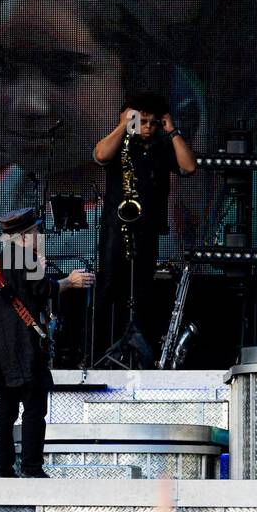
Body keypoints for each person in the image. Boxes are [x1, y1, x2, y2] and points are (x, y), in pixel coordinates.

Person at [0, 207, 92, 478]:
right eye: (35, 232)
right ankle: (32, 467)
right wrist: (71, 281)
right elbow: (45, 290)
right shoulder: (24, 258)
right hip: (24, 343)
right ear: (23, 236)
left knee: (7, 407)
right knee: (34, 407)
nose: (39, 236)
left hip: (1, 344)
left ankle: (4, 468)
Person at [92, 91, 196, 365]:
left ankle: (138, 348)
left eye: (153, 122)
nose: (148, 128)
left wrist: (172, 131)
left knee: (142, 291)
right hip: (116, 227)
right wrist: (123, 124)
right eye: (143, 121)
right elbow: (100, 155)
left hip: (148, 228)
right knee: (109, 286)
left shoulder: (163, 146)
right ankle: (99, 350)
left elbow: (189, 167)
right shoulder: (122, 143)